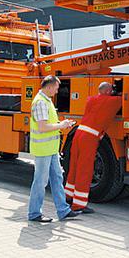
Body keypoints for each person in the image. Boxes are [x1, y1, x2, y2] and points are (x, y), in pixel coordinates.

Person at [28, 75, 79, 222]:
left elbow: (48, 123)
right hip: (43, 149)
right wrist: (62, 125)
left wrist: (62, 124)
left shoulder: (46, 101)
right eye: (56, 88)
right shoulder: (40, 103)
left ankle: (63, 210)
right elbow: (43, 127)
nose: (57, 91)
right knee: (40, 181)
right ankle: (34, 213)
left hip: (50, 149)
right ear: (49, 87)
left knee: (57, 178)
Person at [64, 82, 122, 213]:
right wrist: (118, 93)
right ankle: (78, 204)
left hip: (78, 133)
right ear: (108, 91)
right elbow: (122, 99)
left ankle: (68, 196)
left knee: (74, 166)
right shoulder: (112, 101)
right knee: (85, 169)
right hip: (89, 137)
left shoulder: (91, 99)